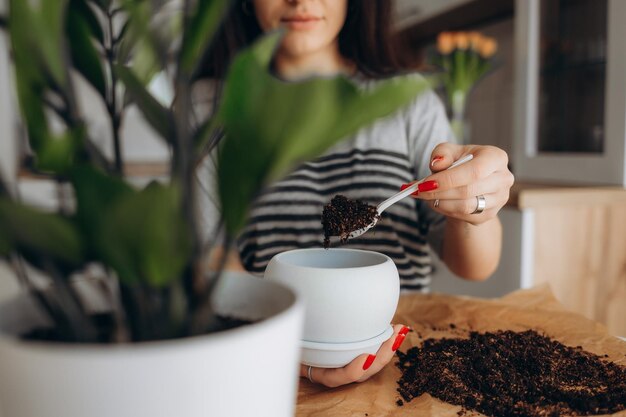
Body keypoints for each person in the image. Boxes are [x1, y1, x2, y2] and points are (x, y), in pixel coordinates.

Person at [198, 0, 514, 388]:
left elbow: (474, 267)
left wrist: (475, 206)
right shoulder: (216, 109)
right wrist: (276, 338)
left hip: (403, 363)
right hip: (271, 360)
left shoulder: (407, 101)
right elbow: (213, 257)